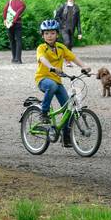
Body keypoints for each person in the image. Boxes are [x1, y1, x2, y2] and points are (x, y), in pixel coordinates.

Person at [34, 18, 90, 147]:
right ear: (42, 35)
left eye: (52, 33)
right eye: (46, 33)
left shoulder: (61, 47)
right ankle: (44, 112)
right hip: (43, 79)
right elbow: (42, 59)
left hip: (57, 81)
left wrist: (84, 66)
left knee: (69, 108)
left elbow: (73, 57)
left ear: (57, 34)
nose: (49, 36)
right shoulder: (41, 48)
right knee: (52, 86)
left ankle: (66, 138)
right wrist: (51, 68)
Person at [3, 0, 26, 64]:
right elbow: (18, 13)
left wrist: (5, 19)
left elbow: (5, 10)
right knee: (18, 40)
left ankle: (13, 58)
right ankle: (18, 59)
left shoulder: (10, 1)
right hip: (17, 23)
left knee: (12, 40)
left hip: (8, 23)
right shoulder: (23, 4)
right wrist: (14, 21)